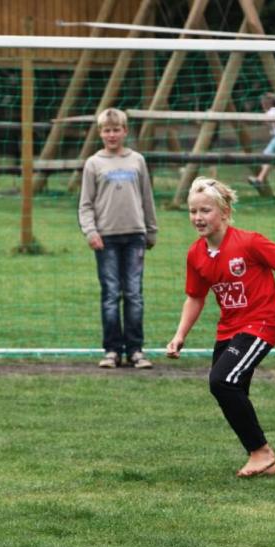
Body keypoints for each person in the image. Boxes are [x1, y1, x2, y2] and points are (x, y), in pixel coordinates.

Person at [166, 177, 275, 478]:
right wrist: (180, 335)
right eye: (193, 211)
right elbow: (195, 297)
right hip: (228, 329)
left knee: (221, 381)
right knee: (231, 389)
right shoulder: (196, 254)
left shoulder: (249, 242)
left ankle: (261, 452)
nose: (198, 218)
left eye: (205, 210)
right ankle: (263, 459)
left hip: (261, 323)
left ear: (225, 212)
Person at [78, 107, 158, 369]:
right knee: (111, 294)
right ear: (100, 133)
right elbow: (86, 204)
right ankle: (112, 350)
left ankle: (136, 350)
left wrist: (151, 229)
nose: (111, 135)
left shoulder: (137, 161)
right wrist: (91, 231)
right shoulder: (94, 163)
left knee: (134, 294)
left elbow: (147, 197)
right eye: (106, 130)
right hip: (106, 238)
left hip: (135, 235)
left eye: (116, 130)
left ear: (125, 131)